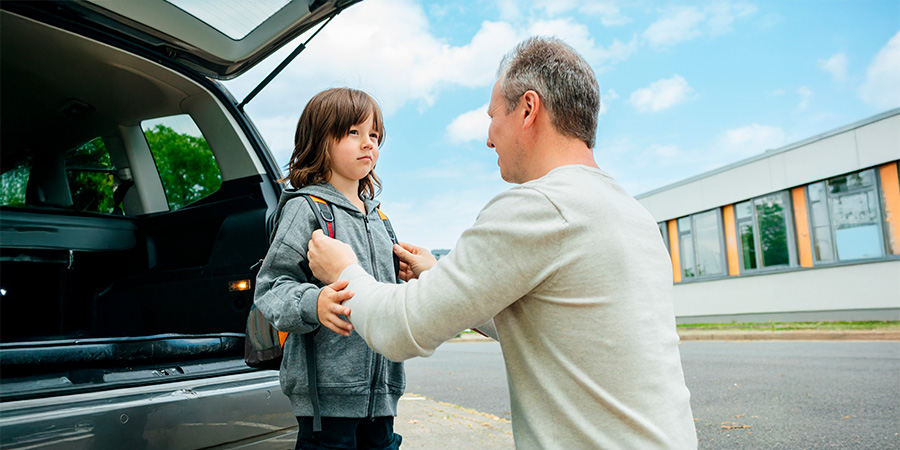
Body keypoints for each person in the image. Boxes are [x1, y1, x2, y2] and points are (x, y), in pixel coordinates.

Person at [307, 37, 698, 449]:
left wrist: (344, 269)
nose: (489, 139)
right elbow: (549, 324)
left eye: (493, 116)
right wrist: (439, 277)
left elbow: (399, 329)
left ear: (528, 109)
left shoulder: (540, 207)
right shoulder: (630, 214)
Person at [254, 88, 403, 450]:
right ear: (321, 139)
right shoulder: (306, 208)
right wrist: (314, 303)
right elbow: (271, 287)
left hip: (382, 396)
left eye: (374, 135)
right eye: (353, 132)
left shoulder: (380, 219)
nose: (368, 143)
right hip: (327, 400)